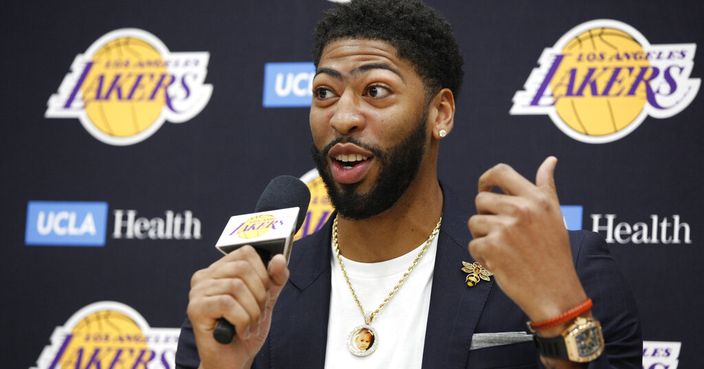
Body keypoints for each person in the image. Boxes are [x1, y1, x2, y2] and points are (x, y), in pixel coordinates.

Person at [176, 0, 642, 368]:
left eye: (375, 91)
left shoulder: (565, 266)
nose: (342, 116)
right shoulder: (247, 296)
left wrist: (560, 317)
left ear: (440, 113)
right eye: (324, 92)